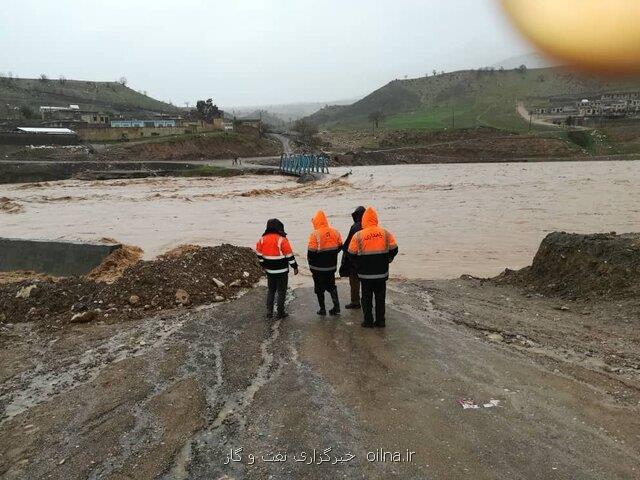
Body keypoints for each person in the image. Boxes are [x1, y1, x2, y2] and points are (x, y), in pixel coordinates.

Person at [348, 207, 398, 328]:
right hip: (381, 273)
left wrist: (358, 265)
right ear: (376, 219)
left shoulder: (358, 235)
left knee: (366, 298)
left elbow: (351, 254)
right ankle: (381, 321)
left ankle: (368, 321)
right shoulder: (385, 233)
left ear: (364, 220)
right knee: (380, 298)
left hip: (365, 275)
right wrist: (388, 259)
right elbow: (395, 249)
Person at [255, 219, 298, 319]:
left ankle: (269, 312)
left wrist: (263, 265)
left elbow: (259, 254)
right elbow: (289, 256)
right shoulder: (282, 239)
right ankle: (280, 312)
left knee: (271, 290)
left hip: (269, 271)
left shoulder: (262, 239)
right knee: (281, 291)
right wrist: (295, 267)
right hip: (282, 271)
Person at [307, 210, 343, 316]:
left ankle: (322, 309)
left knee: (319, 289)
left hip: (317, 268)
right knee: (332, 286)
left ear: (316, 222)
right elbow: (340, 246)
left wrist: (311, 264)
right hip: (331, 267)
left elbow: (311, 253)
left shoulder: (315, 234)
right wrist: (331, 255)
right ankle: (336, 307)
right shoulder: (335, 232)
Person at [339, 206, 366, 309]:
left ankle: (355, 302)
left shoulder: (355, 227)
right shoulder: (370, 226)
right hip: (367, 259)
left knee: (354, 281)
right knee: (366, 282)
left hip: (355, 258)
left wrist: (346, 258)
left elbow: (349, 244)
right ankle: (366, 301)